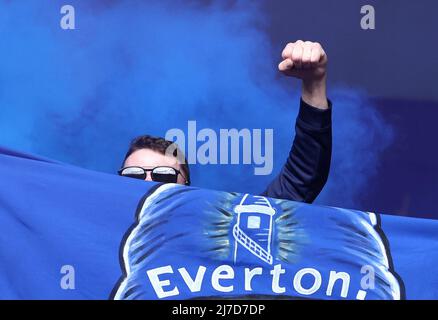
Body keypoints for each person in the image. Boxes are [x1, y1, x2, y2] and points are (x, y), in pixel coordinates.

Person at [118, 40, 331, 203]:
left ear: (187, 187)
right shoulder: (87, 232)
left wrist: (314, 83)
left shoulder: (214, 237)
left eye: (163, 177)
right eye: (133, 177)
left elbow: (299, 182)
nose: (147, 185)